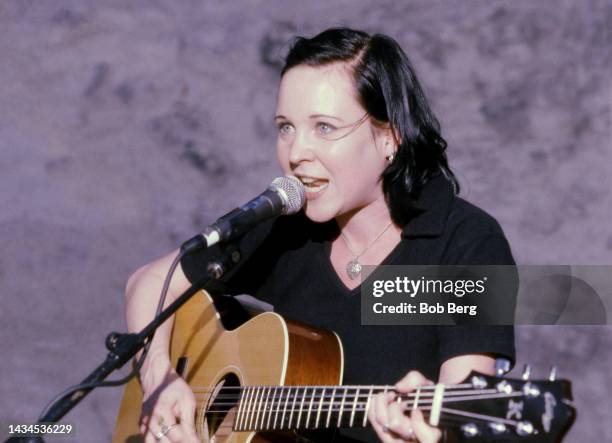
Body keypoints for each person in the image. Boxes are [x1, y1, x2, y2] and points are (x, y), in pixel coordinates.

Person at [126, 28, 515, 443]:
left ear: (390, 138)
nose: (295, 153)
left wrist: (430, 436)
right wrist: (160, 380)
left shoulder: (469, 242)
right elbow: (148, 283)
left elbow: (466, 417)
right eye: (286, 127)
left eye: (325, 127)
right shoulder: (283, 227)